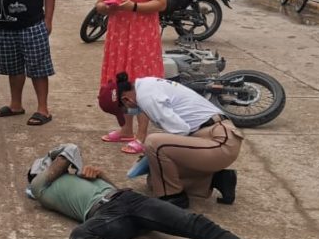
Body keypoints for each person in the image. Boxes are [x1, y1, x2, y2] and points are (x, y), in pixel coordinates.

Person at [25, 144, 319, 239]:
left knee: (196, 224)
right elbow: (69, 150)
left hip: (126, 200)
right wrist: (57, 157)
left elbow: (109, 188)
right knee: (79, 238)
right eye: (49, 163)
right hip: (104, 217)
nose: (54, 164)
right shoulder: (40, 186)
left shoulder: (74, 177)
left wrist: (101, 175)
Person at [98, 72, 242, 208]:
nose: (127, 112)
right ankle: (219, 179)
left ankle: (173, 197)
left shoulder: (147, 98)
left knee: (154, 143)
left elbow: (181, 130)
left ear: (125, 99)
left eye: (124, 110)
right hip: (209, 139)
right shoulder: (145, 86)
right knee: (155, 180)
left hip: (220, 142)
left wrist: (151, 154)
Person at [95, 0, 167, 155]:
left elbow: (161, 3)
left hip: (141, 37)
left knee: (141, 86)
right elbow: (98, 4)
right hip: (117, 37)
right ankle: (126, 129)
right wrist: (107, 8)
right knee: (121, 84)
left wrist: (134, 7)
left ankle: (141, 135)